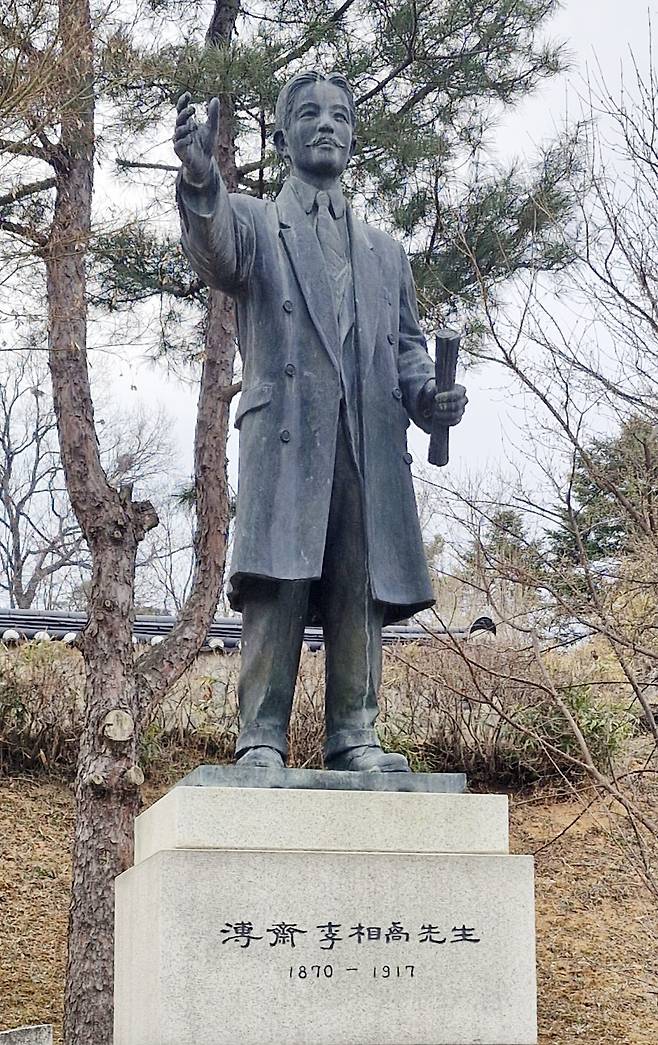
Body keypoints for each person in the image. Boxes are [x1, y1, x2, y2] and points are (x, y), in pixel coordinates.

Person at [174, 71, 467, 772]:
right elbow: (215, 248)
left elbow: (406, 349)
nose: (327, 124)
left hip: (368, 442)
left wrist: (430, 398)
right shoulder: (255, 222)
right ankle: (261, 736)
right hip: (288, 436)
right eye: (309, 114)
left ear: (355, 137)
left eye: (340, 115)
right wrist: (201, 177)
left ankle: (355, 733)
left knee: (359, 586)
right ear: (283, 138)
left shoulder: (385, 252)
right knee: (279, 584)